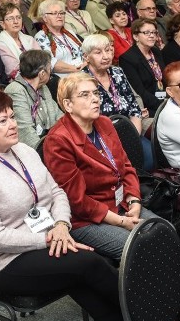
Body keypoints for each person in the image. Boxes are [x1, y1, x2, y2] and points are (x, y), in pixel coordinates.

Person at [0, 87, 126, 321]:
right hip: (0, 264)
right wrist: (48, 239)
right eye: (3, 121)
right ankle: (149, 320)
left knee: (84, 274)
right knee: (89, 265)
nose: (13, 125)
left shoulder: (24, 150)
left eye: (12, 117)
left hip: (45, 240)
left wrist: (61, 225)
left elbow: (56, 192)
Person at [44, 73, 154, 260]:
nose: (95, 99)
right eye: (85, 95)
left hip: (121, 203)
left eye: (95, 93)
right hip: (88, 219)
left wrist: (134, 200)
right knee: (141, 249)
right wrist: (121, 221)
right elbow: (77, 201)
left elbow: (126, 167)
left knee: (164, 232)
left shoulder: (104, 123)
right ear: (68, 105)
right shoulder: (58, 141)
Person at [81, 34, 145, 135]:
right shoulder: (81, 80)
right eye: (98, 53)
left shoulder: (117, 72)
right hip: (101, 136)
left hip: (129, 129)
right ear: (86, 57)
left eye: (107, 50)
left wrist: (134, 136)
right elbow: (85, 121)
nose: (106, 56)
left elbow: (134, 109)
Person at [4, 50, 62, 149]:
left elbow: (59, 116)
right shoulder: (16, 91)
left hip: (52, 142)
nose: (50, 73)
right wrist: (48, 151)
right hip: (35, 150)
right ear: (42, 73)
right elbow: (25, 132)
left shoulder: (43, 87)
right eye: (49, 69)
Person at [119, 18, 166, 117]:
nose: (152, 36)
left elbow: (165, 79)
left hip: (165, 99)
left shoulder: (156, 51)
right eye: (147, 33)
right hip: (148, 109)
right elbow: (140, 91)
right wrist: (163, 105)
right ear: (136, 36)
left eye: (154, 32)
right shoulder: (128, 58)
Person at [33, 0, 85, 80]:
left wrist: (86, 64)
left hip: (83, 73)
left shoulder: (70, 33)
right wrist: (78, 69)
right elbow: (51, 64)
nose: (59, 16)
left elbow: (85, 52)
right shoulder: (41, 37)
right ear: (44, 18)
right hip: (64, 79)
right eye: (54, 13)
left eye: (61, 13)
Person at [0, 2, 42, 80]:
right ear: (2, 24)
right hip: (19, 83)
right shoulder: (0, 44)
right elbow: (13, 71)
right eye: (11, 18)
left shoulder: (29, 39)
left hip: (39, 77)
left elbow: (43, 60)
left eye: (18, 17)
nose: (16, 21)